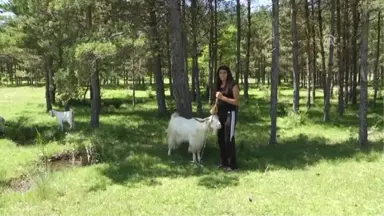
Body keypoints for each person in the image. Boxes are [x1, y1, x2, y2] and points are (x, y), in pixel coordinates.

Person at [215, 65, 239, 171]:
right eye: (220, 73)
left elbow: (236, 102)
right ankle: (223, 163)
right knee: (220, 139)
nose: (222, 75)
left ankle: (231, 165)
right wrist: (214, 107)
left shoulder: (233, 85)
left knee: (228, 139)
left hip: (230, 114)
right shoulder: (219, 85)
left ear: (228, 73)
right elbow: (217, 100)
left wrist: (222, 97)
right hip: (220, 115)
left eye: (224, 73)